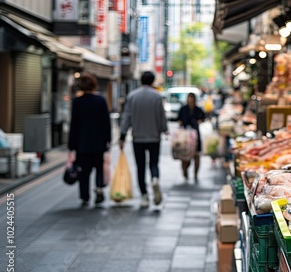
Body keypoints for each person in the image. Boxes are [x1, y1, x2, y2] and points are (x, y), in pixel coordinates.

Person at [119, 71, 168, 208]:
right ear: (152, 81)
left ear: (141, 80)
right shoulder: (157, 97)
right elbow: (161, 117)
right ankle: (155, 179)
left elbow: (126, 117)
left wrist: (122, 136)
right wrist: (164, 129)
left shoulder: (132, 96)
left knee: (140, 167)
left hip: (138, 138)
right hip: (154, 137)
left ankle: (144, 196)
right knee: (154, 163)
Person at [68, 72, 111, 206]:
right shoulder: (101, 100)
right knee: (98, 167)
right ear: (94, 85)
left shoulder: (77, 102)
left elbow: (74, 124)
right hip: (99, 142)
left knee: (84, 171)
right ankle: (98, 187)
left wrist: (71, 144)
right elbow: (106, 123)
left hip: (82, 144)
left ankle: (85, 197)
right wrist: (108, 139)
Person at [177, 92, 206, 181]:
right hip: (185, 135)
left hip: (196, 134)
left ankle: (195, 174)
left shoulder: (198, 109)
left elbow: (203, 117)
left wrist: (200, 121)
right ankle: (185, 171)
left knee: (196, 155)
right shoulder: (183, 109)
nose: (191, 100)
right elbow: (178, 119)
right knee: (185, 155)